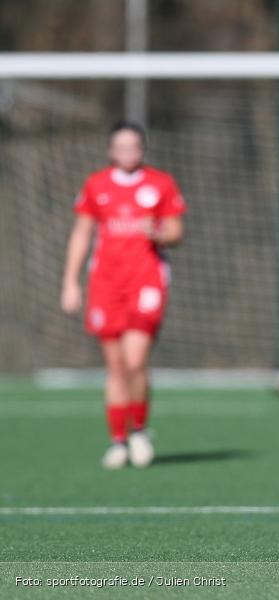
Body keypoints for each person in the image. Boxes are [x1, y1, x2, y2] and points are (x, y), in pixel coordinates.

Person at [61, 121, 186, 469]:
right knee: (115, 367)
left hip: (146, 282)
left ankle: (140, 431)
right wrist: (70, 282)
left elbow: (176, 230)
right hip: (105, 285)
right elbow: (82, 233)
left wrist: (159, 231)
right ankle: (118, 440)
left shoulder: (160, 183)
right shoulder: (96, 185)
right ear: (111, 150)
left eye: (134, 146)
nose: (127, 152)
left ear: (142, 149)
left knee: (135, 361)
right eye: (121, 146)